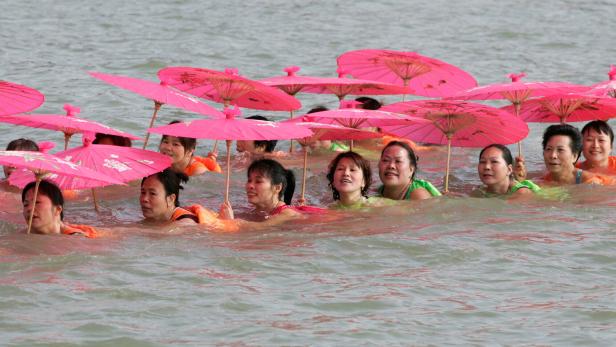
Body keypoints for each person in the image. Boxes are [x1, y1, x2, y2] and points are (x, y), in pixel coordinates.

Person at [219, 159, 322, 228]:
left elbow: (261, 228)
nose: (250, 185)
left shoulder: (287, 214)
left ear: (277, 187)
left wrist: (231, 222)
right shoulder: (256, 211)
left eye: (258, 181)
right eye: (249, 180)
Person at [140, 168, 239, 231]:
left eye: (152, 193)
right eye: (143, 192)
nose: (144, 199)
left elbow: (161, 233)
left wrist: (125, 231)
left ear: (171, 199)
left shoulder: (187, 222)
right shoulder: (156, 217)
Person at [540, 124, 614, 185]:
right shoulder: (543, 181)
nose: (553, 155)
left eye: (560, 150)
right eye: (548, 149)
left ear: (575, 156)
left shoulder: (591, 182)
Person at [21, 180, 97, 237]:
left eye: (37, 202)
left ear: (57, 210)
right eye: (26, 204)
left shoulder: (75, 238)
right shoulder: (22, 235)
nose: (29, 208)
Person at [377, 141, 441, 200]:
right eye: (385, 160)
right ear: (378, 165)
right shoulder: (378, 191)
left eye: (398, 161)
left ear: (411, 169)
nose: (391, 166)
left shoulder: (419, 196)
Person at [472, 144, 540, 199]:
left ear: (509, 169)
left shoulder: (522, 193)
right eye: (482, 162)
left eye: (494, 161)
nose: (486, 167)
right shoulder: (479, 191)